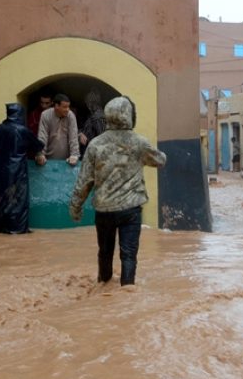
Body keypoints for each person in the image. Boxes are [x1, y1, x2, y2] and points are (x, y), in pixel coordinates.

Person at [69, 96, 167, 286]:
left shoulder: (95, 144)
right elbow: (160, 161)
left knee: (104, 253)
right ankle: (127, 292)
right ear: (129, 116)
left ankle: (103, 288)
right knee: (129, 254)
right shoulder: (139, 142)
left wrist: (76, 207)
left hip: (104, 210)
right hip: (130, 210)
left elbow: (84, 181)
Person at [0, 103, 45, 234]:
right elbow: (37, 144)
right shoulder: (22, 130)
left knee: (3, 199)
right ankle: (18, 229)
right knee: (18, 200)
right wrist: (39, 153)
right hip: (17, 172)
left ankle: (3, 227)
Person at [35, 93, 80, 166]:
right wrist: (41, 154)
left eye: (68, 107)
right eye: (65, 107)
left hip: (67, 161)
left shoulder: (70, 116)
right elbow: (42, 136)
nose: (67, 109)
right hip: (48, 160)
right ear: (56, 106)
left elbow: (73, 137)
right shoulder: (45, 115)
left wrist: (74, 155)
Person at [78, 89, 106, 159]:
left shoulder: (98, 118)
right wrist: (80, 133)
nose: (87, 105)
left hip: (93, 156)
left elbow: (102, 139)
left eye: (87, 103)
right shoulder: (92, 116)